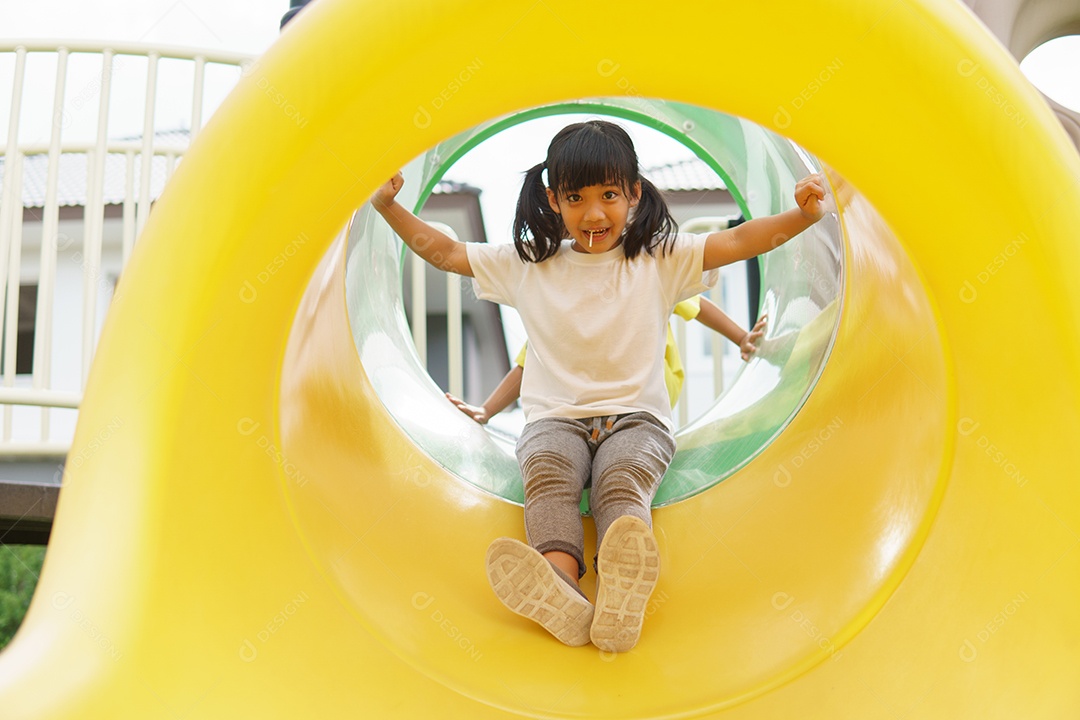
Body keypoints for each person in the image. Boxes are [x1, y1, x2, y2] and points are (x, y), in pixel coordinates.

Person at [371, 119, 826, 652]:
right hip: (554, 420)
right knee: (546, 476)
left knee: (620, 477)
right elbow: (446, 252)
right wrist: (387, 207)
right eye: (576, 197)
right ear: (552, 200)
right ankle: (560, 586)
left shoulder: (658, 258)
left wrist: (803, 215)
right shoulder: (528, 265)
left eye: (609, 194)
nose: (593, 213)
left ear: (634, 193)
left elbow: (738, 241)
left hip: (638, 417)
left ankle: (620, 588)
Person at [446, 297, 768, 424]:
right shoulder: (565, 298)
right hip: (590, 396)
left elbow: (696, 305)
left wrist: (741, 337)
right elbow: (530, 361)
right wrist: (487, 409)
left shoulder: (644, 271)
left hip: (650, 382)